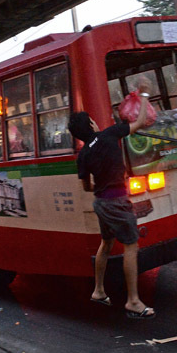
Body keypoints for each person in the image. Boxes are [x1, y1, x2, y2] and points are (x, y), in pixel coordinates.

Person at [68, 89, 156, 320]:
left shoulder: (83, 154)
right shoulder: (110, 134)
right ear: (91, 124)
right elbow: (139, 122)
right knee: (130, 246)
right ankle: (133, 301)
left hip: (101, 203)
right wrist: (144, 96)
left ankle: (98, 290)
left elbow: (86, 187)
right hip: (117, 201)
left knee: (106, 244)